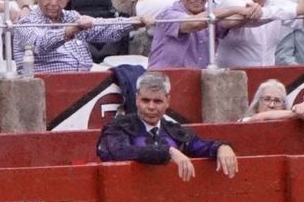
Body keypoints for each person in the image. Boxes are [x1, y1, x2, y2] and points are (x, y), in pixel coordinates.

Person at [95, 70, 239, 180]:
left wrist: (221, 147)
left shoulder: (174, 131)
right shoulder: (118, 127)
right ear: (137, 99)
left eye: (157, 101)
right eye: (145, 100)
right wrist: (167, 152)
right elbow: (119, 152)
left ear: (167, 101)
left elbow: (201, 146)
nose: (151, 107)